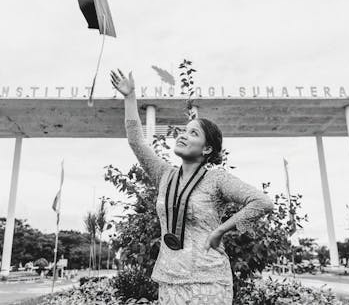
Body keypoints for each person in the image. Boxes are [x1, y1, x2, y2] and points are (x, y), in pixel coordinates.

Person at [111, 69, 274, 304]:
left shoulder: (217, 179)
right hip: (170, 279)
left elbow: (263, 203)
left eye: (193, 133)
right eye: (184, 131)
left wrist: (221, 230)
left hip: (209, 281)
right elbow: (136, 140)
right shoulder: (164, 174)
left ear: (207, 149)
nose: (183, 135)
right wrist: (130, 97)